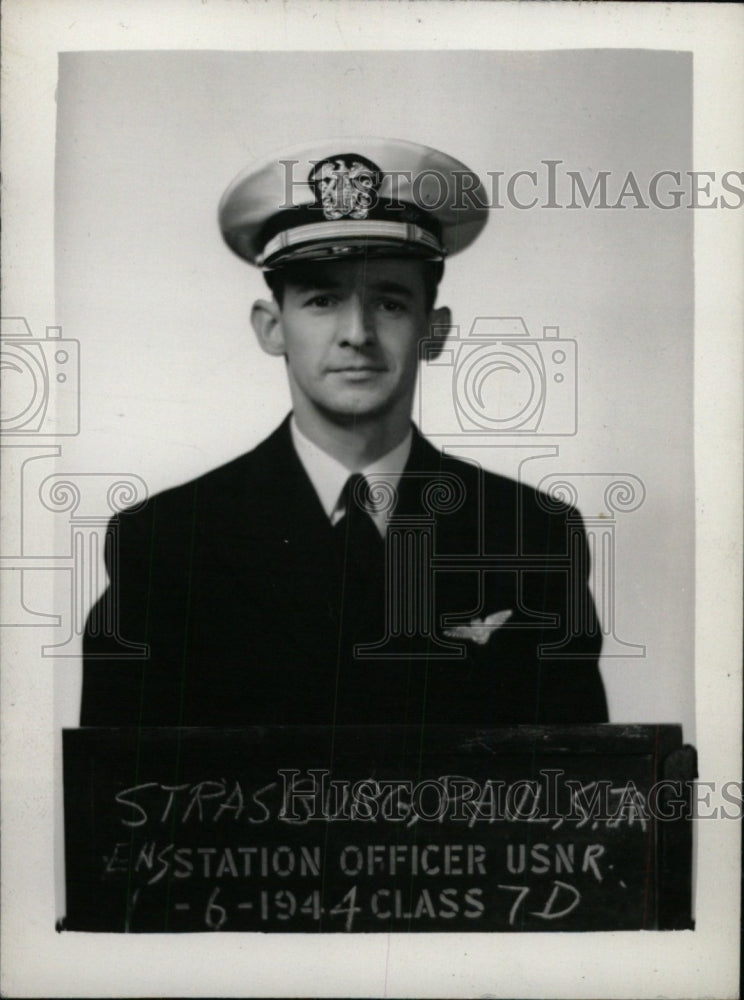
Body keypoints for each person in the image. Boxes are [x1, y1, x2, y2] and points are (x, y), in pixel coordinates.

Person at [81, 138, 608, 727]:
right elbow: (118, 799)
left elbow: (582, 791)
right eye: (323, 299)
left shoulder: (530, 534)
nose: (356, 332)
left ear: (434, 331)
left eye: (388, 303)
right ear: (272, 327)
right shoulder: (166, 542)